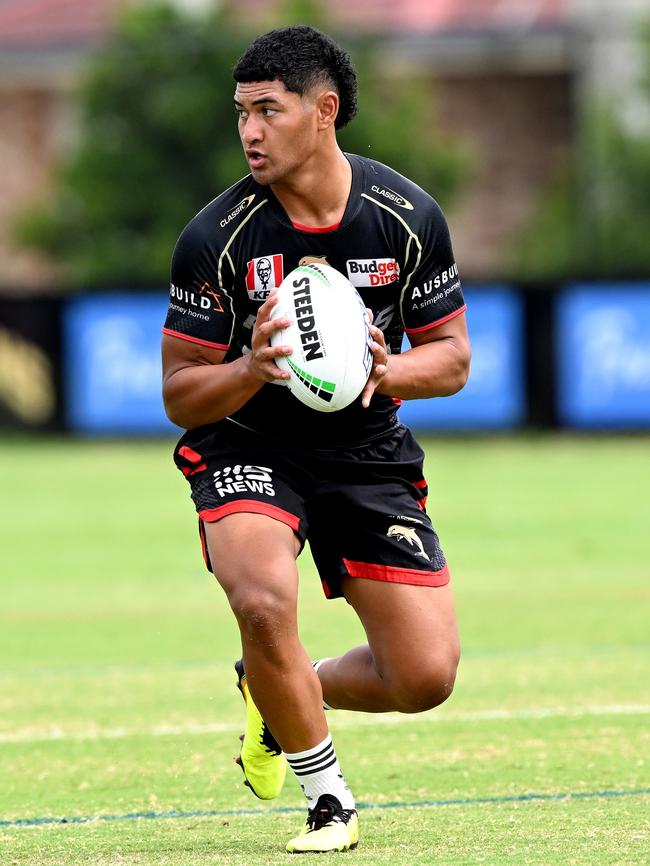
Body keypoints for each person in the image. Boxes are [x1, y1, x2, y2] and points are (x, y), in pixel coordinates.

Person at [162, 24, 470, 854]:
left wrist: (388, 369)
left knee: (423, 676)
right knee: (261, 600)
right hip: (245, 444)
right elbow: (181, 392)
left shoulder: (404, 217)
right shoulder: (218, 237)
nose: (250, 132)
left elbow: (451, 361)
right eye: (242, 113)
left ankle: (274, 693)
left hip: (365, 450)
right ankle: (327, 796)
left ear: (324, 110)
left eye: (268, 109)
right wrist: (251, 369)